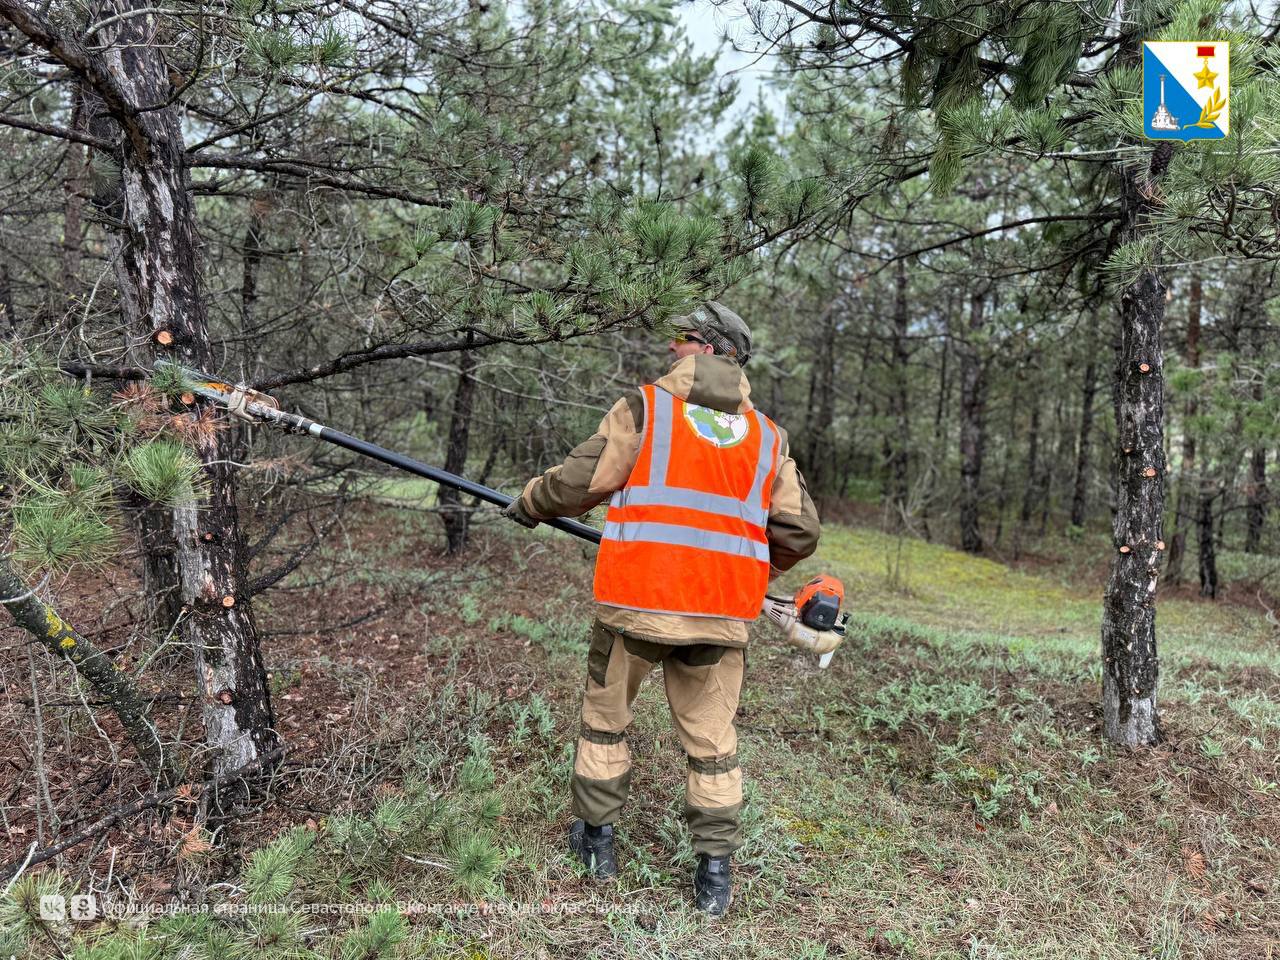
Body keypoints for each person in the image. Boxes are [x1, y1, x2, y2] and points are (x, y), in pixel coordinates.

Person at [502, 301, 821, 916]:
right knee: (713, 742)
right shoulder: (769, 437)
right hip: (720, 618)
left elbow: (577, 484)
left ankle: (596, 844)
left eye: (682, 337)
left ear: (706, 347)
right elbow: (800, 532)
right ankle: (715, 876)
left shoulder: (645, 409)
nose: (671, 347)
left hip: (635, 608)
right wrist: (751, 568)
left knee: (605, 718)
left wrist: (531, 502)